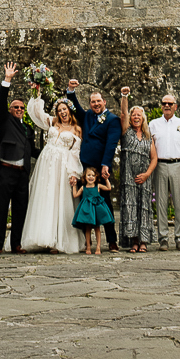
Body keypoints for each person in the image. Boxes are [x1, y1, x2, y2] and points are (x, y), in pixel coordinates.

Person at [64, 78, 122, 253]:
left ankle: (112, 240)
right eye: (93, 102)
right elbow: (76, 107)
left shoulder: (112, 120)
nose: (96, 104)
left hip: (99, 167)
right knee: (85, 205)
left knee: (104, 204)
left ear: (104, 102)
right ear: (90, 103)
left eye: (98, 101)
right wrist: (70, 91)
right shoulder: (88, 115)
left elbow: (111, 143)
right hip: (84, 167)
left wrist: (105, 164)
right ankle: (85, 242)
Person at [20, 88, 81, 253]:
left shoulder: (76, 129)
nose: (62, 112)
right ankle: (41, 237)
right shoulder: (53, 122)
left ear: (70, 110)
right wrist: (36, 94)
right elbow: (36, 114)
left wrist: (73, 173)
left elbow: (75, 153)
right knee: (44, 197)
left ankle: (56, 240)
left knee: (58, 200)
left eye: (65, 109)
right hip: (46, 164)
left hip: (62, 166)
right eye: (60, 110)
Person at [0, 62, 36, 254]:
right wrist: (6, 81)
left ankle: (16, 243)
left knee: (20, 209)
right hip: (5, 170)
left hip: (22, 173)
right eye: (15, 107)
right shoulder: (5, 121)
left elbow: (31, 150)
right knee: (0, 208)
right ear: (10, 110)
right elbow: (1, 102)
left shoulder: (29, 129)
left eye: (22, 108)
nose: (19, 109)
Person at [145, 89, 180, 249]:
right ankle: (163, 238)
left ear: (175, 106)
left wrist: (179, 158)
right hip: (160, 165)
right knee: (160, 202)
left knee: (179, 202)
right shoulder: (153, 124)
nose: (166, 106)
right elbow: (150, 146)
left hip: (179, 164)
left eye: (170, 104)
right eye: (164, 103)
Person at [113, 97, 160, 253]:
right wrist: (125, 97)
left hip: (144, 178)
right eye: (134, 115)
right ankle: (133, 241)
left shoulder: (148, 137)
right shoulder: (126, 132)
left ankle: (143, 241)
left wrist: (147, 174)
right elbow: (123, 114)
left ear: (143, 118)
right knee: (130, 207)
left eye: (139, 115)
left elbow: (154, 158)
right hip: (129, 178)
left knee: (144, 208)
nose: (136, 117)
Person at [72, 166, 115, 254]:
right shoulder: (83, 188)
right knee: (87, 228)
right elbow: (75, 195)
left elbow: (108, 188)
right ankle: (88, 247)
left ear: (96, 177)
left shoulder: (98, 186)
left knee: (97, 228)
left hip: (96, 209)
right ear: (84, 177)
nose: (91, 177)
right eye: (88, 175)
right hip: (87, 210)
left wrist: (106, 179)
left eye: (93, 175)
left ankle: (98, 247)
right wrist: (74, 185)